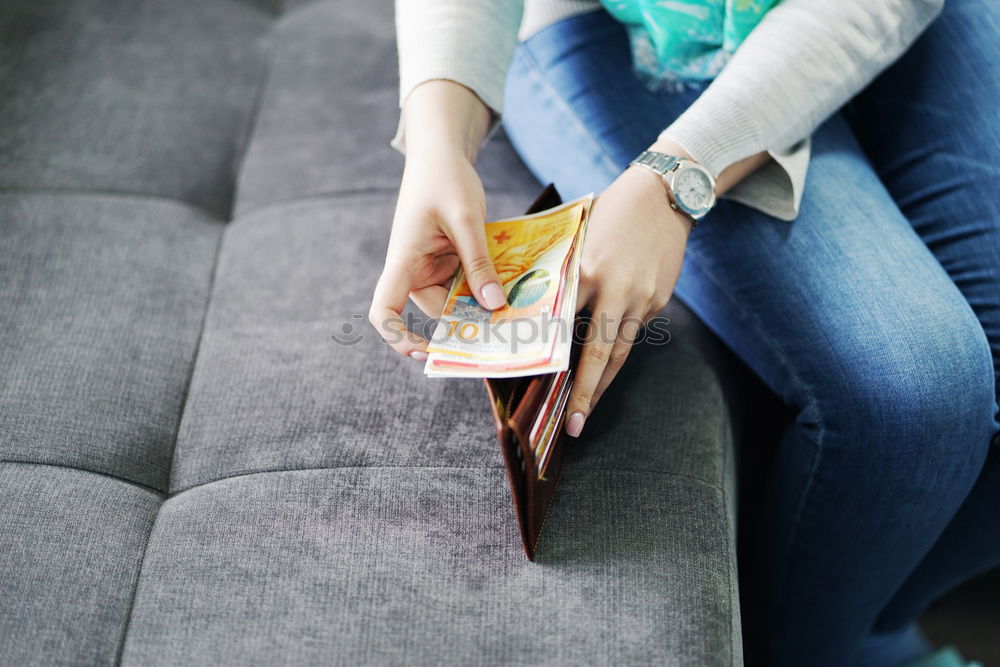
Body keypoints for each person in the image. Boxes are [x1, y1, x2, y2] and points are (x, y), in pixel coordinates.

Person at [368, 0, 1000, 664]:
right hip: (619, 23)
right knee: (914, 395)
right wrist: (439, 140)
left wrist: (678, 178)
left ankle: (860, 637)